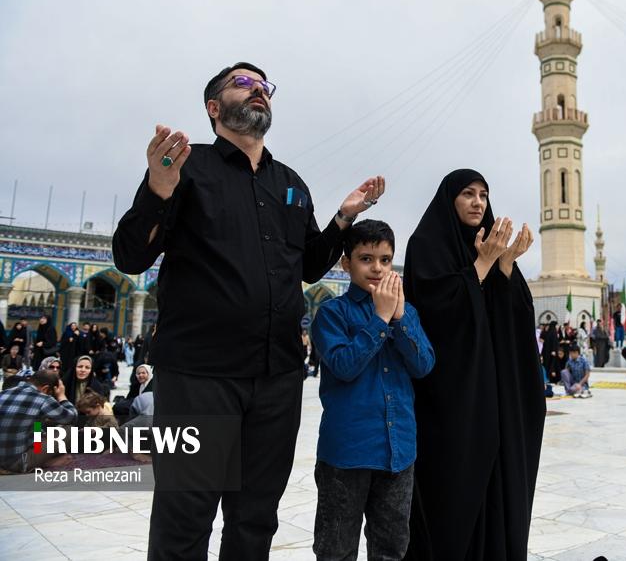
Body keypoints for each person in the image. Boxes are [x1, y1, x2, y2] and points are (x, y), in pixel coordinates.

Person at [112, 60, 386, 559]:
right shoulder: (185, 167)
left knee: (255, 518)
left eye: (264, 86)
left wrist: (344, 218)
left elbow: (309, 266)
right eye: (242, 83)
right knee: (185, 515)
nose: (257, 90)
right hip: (200, 376)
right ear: (214, 107)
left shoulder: (290, 183)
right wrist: (157, 189)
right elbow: (131, 257)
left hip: (276, 377)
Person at [402, 169, 544, 560]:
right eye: (468, 193)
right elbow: (438, 313)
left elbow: (509, 318)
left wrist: (505, 267)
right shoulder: (427, 245)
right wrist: (482, 265)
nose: (478, 202)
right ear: (450, 199)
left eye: (483, 194)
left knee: (495, 482)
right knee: (454, 491)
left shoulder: (488, 249)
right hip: (449, 401)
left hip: (491, 395)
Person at [311, 219, 434, 560]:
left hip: (398, 452)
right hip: (347, 454)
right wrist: (379, 320)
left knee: (391, 548)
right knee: (336, 549)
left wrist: (399, 319)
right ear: (346, 263)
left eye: (385, 259)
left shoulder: (406, 312)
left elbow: (424, 364)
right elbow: (344, 366)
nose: (377, 268)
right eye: (366, 259)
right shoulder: (332, 314)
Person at [0, 368, 77, 473]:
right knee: (69, 430)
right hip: (16, 463)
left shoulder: (4, 393)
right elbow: (71, 418)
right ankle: (42, 463)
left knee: (37, 424)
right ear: (45, 388)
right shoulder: (43, 398)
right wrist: (61, 396)